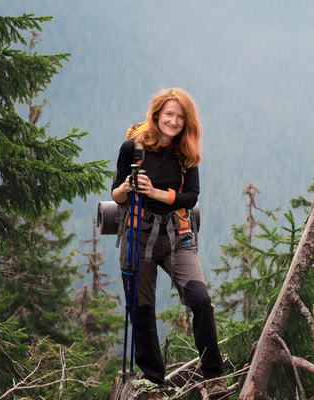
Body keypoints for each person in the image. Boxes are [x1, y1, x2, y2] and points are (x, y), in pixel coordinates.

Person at [111, 88, 226, 396]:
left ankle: (213, 376)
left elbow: (191, 197)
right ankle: (153, 382)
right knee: (141, 309)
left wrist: (156, 193)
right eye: (169, 114)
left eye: (180, 117)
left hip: (177, 238)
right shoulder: (132, 149)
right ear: (157, 114)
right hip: (139, 236)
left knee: (200, 299)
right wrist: (128, 186)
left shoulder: (186, 154)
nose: (174, 121)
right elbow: (115, 195)